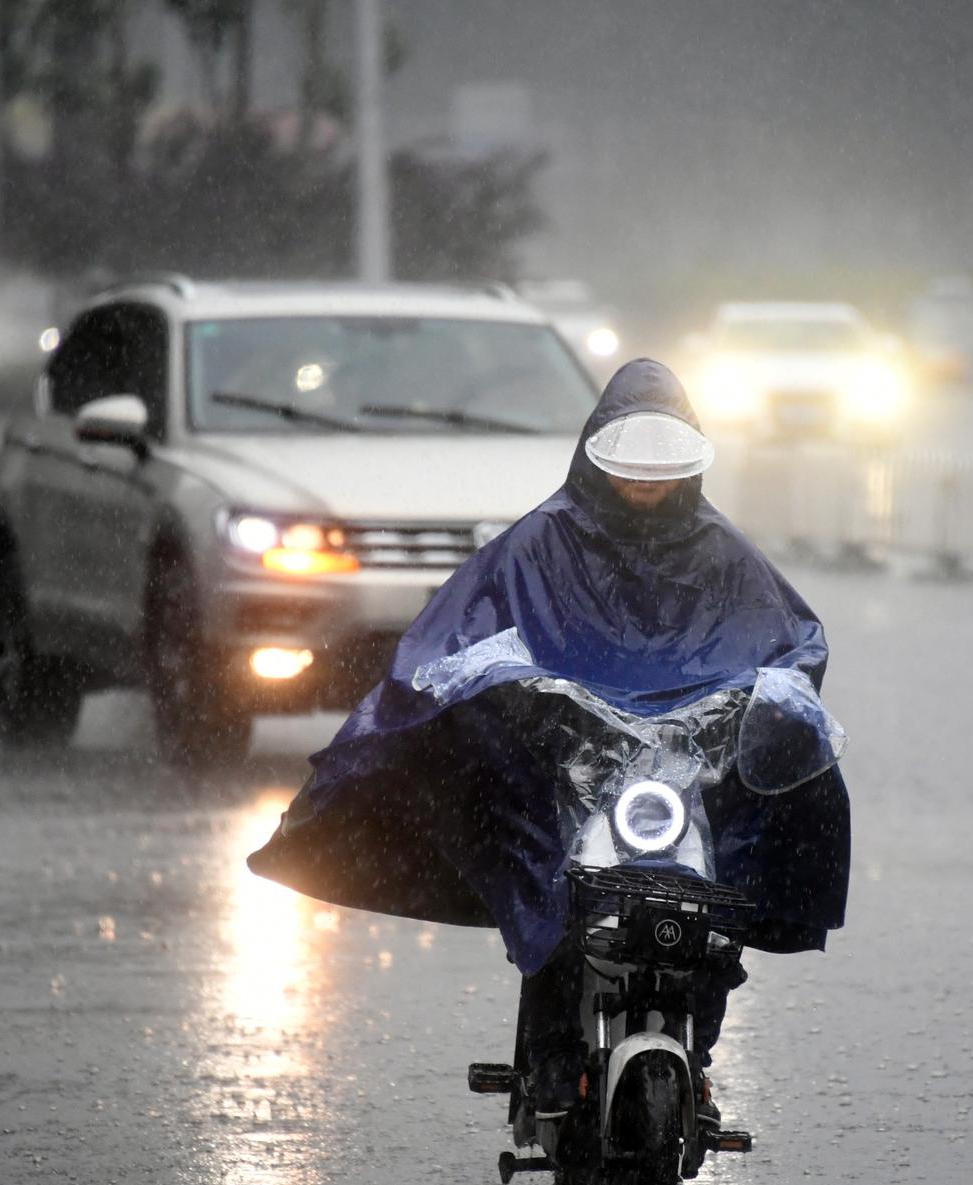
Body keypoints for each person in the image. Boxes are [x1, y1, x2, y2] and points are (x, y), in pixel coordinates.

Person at [248, 358, 851, 1115]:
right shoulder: (540, 544)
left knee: (711, 920)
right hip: (568, 770)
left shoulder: (724, 556)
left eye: (658, 474)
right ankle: (553, 1062)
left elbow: (790, 641)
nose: (644, 488)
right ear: (599, 459)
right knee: (560, 905)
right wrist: (508, 688)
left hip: (683, 776)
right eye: (631, 472)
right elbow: (457, 636)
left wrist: (773, 695)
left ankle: (695, 1057)